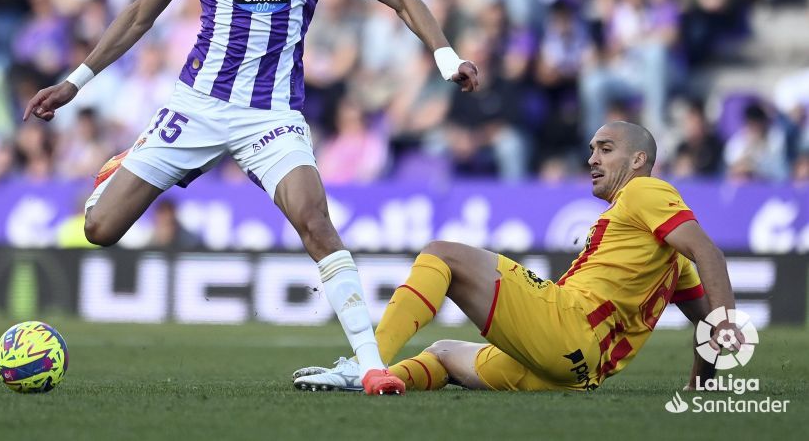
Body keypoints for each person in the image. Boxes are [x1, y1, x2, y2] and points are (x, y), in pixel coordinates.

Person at [22, 0, 479, 397]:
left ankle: (370, 366)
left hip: (272, 115)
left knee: (316, 222)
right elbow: (140, 16)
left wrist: (446, 58)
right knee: (99, 229)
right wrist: (75, 82)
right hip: (199, 104)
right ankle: (133, 159)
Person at [293, 121, 739, 393]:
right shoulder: (665, 259)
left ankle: (367, 364)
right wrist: (703, 385)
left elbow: (709, 253)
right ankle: (378, 383)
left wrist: (728, 324)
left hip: (567, 326)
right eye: (591, 149)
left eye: (605, 149)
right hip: (575, 373)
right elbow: (702, 315)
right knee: (444, 352)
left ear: (639, 159)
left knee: (441, 254)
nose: (592, 159)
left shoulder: (645, 190)